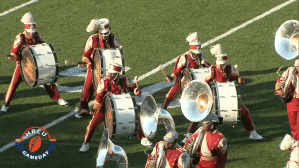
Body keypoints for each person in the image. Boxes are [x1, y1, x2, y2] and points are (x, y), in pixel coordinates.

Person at [182, 44, 265, 143]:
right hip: (214, 97)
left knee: (244, 112)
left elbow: (237, 77)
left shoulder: (229, 68)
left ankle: (253, 133)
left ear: (225, 63)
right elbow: (205, 83)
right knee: (200, 112)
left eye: (222, 64)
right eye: (219, 64)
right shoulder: (212, 70)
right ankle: (189, 134)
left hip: (229, 96)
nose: (220, 66)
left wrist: (240, 79)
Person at [1, 12, 69, 113]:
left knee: (47, 79)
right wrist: (12, 56)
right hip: (22, 65)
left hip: (35, 63)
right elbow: (14, 52)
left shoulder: (36, 35)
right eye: (30, 32)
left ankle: (58, 99)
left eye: (33, 32)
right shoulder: (20, 38)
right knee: (13, 84)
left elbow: (42, 46)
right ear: (26, 30)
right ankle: (5, 105)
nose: (31, 34)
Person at [79, 63, 152, 152]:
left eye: (112, 73)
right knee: (92, 123)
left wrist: (136, 91)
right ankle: (86, 143)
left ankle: (143, 138)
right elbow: (98, 97)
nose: (109, 74)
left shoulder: (125, 79)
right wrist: (96, 108)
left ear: (117, 74)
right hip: (106, 107)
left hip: (121, 105)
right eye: (109, 72)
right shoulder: (104, 81)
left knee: (137, 118)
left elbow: (133, 87)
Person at [75, 18, 120, 118]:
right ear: (98, 32)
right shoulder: (92, 39)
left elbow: (118, 54)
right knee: (87, 89)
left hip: (110, 69)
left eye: (106, 33)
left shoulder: (113, 38)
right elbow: (86, 55)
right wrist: (86, 61)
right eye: (103, 34)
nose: (105, 36)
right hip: (94, 68)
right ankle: (83, 109)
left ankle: (110, 109)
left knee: (112, 88)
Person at [161, 32, 211, 110]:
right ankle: (162, 113)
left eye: (197, 53)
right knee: (169, 96)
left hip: (196, 82)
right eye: (194, 53)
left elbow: (208, 65)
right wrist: (172, 77)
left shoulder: (200, 56)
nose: (196, 55)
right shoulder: (184, 58)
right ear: (191, 51)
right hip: (183, 81)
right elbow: (177, 71)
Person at [275, 59, 299, 141]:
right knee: (293, 125)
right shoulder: (290, 71)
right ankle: (296, 144)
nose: (297, 68)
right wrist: (280, 90)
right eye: (297, 66)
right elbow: (280, 82)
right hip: (292, 101)